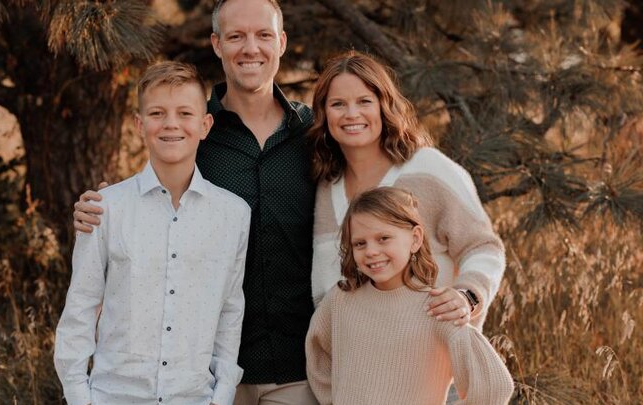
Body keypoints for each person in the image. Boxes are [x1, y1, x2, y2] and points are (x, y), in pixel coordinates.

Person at [73, 1, 320, 403]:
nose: (250, 48)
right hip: (199, 377)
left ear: (282, 42)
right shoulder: (190, 127)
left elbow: (361, 203)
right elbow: (145, 206)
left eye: (263, 35)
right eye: (236, 36)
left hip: (297, 367)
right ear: (216, 44)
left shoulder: (313, 134)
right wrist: (94, 211)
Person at [54, 61, 250, 405]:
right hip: (113, 396)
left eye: (185, 113)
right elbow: (81, 306)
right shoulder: (107, 209)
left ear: (205, 125)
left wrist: (222, 394)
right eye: (157, 113)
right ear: (139, 124)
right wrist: (78, 395)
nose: (171, 124)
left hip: (195, 398)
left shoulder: (233, 215)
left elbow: (230, 309)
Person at [309, 51, 506, 330]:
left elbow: (483, 246)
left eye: (364, 101)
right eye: (338, 104)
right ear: (323, 113)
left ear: (383, 105)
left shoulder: (428, 169)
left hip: (432, 361)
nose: (352, 114)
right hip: (354, 363)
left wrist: (468, 296)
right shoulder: (325, 187)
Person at [305, 187, 514, 405]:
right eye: (360, 243)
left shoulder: (438, 308)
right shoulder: (340, 301)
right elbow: (319, 358)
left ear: (415, 239)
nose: (371, 251)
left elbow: (494, 388)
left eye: (383, 238)